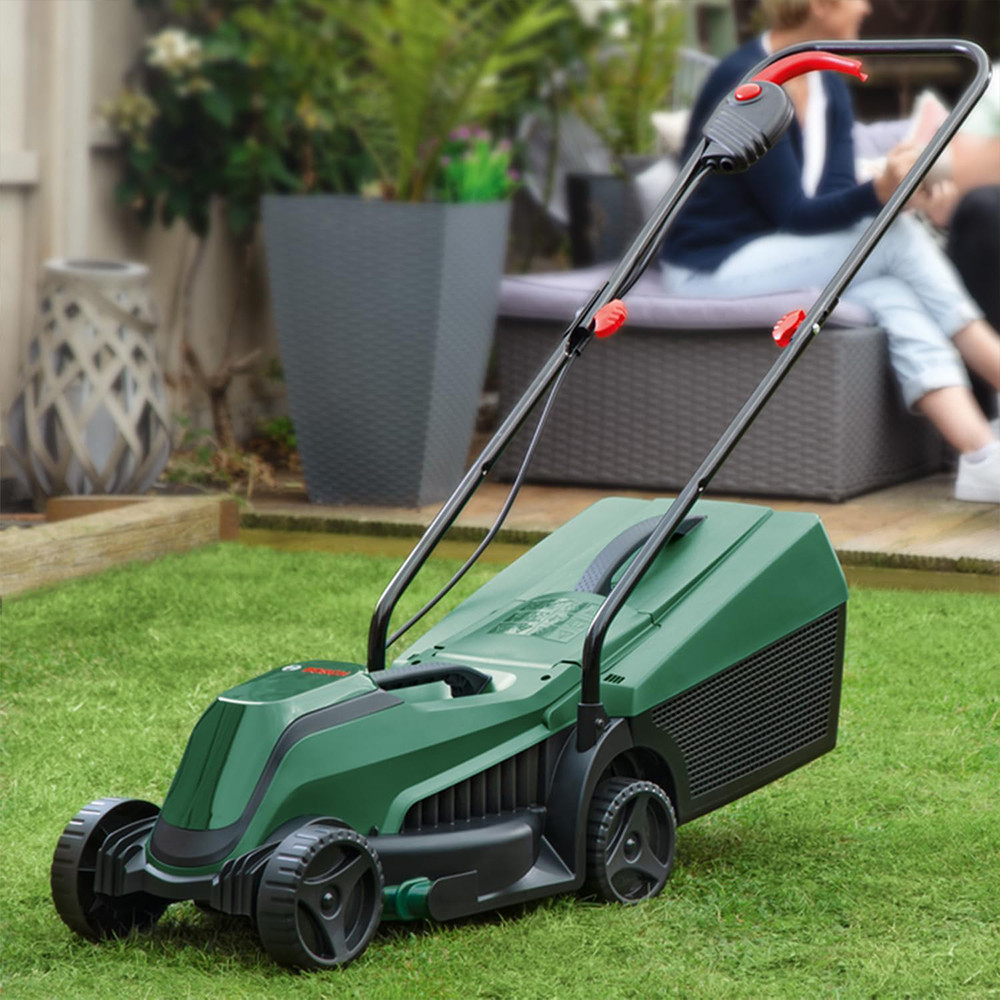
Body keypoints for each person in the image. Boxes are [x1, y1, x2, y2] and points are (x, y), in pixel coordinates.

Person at [661, 0, 1000, 503]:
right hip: (713, 264)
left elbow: (835, 198)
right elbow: (792, 213)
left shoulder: (828, 85)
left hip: (786, 254)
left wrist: (899, 193)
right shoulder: (750, 83)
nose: (866, 7)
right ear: (819, 5)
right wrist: (880, 192)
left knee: (891, 291)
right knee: (894, 239)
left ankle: (981, 458)